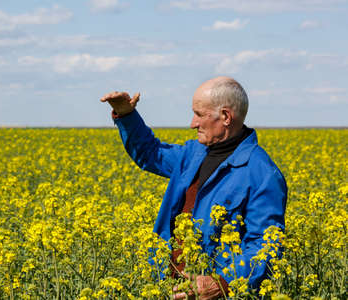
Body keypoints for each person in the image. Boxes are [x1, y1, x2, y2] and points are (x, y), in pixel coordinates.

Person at [100, 76, 287, 299]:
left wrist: (223, 284)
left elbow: (266, 243)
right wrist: (127, 116)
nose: (192, 123)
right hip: (169, 287)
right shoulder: (193, 153)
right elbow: (151, 154)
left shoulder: (262, 174)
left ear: (226, 116)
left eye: (199, 114)